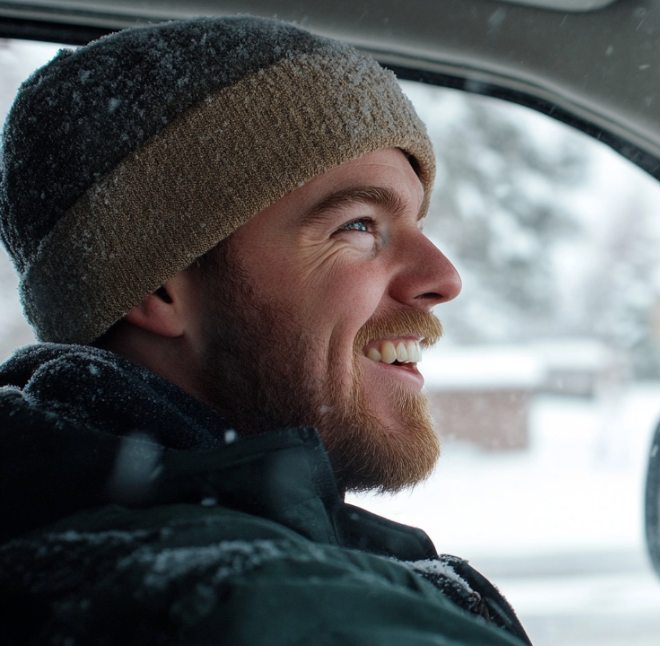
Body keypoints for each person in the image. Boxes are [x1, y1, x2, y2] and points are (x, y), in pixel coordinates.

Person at [0, 16, 531, 645]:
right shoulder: (247, 606)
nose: (443, 277)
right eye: (358, 225)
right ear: (160, 285)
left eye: (417, 221)